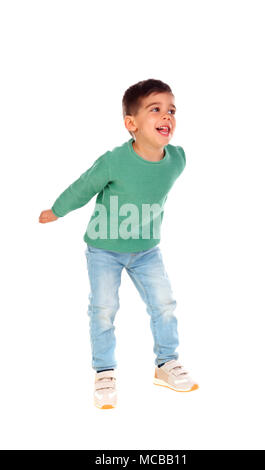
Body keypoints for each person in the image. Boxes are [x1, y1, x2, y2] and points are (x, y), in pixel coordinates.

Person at [39, 79, 199, 410]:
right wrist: (57, 209)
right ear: (131, 124)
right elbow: (84, 186)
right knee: (103, 309)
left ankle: (165, 363)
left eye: (171, 110)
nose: (166, 116)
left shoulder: (177, 160)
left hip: (147, 250)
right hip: (104, 250)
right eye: (155, 109)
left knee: (164, 304)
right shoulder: (114, 161)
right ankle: (104, 371)